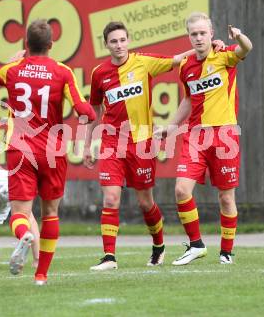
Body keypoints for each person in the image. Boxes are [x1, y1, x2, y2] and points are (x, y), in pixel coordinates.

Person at [0, 19, 96, 285]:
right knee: (50, 212)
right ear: (51, 45)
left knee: (20, 213)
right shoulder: (62, 72)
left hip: (20, 150)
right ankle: (41, 274)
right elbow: (85, 111)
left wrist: (9, 63)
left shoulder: (14, 69)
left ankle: (23, 237)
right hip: (52, 151)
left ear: (26, 45)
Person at [83, 21, 203, 271]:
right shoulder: (98, 73)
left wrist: (211, 46)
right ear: (106, 44)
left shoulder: (143, 62)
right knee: (111, 198)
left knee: (145, 203)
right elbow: (94, 110)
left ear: (129, 40)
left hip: (141, 144)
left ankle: (159, 245)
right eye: (113, 41)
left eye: (122, 40)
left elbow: (178, 59)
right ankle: (109, 257)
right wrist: (86, 144)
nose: (119, 45)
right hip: (111, 142)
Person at [153, 12, 252, 265]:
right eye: (193, 34)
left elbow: (246, 48)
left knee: (226, 197)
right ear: (189, 36)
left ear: (211, 34)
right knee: (181, 189)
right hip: (196, 135)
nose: (198, 38)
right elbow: (188, 99)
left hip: (224, 134)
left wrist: (239, 36)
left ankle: (226, 252)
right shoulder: (186, 66)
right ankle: (196, 245)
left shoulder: (224, 56)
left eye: (202, 33)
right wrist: (171, 127)